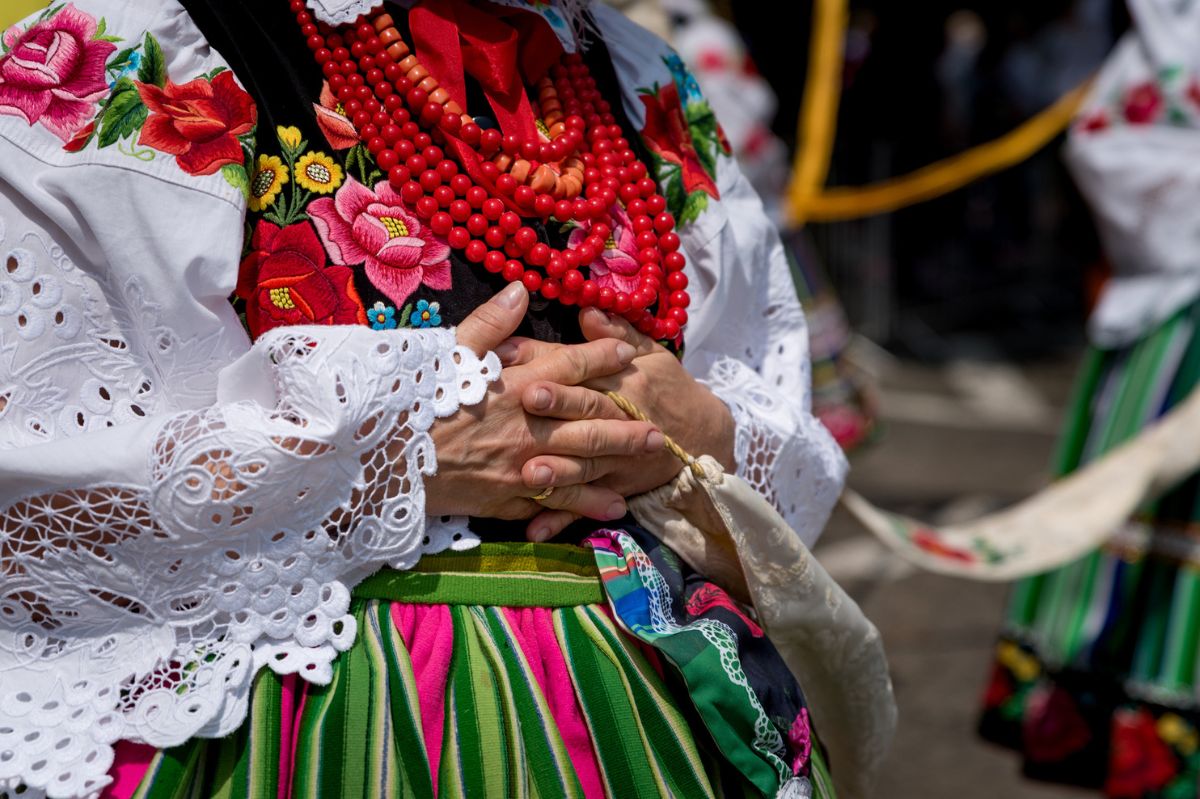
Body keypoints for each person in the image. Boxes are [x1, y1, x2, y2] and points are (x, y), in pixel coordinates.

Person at [0, 1, 858, 797]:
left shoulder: (638, 77)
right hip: (296, 730)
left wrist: (696, 427)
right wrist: (380, 456)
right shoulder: (142, 52)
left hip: (649, 717)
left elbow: (773, 415)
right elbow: (29, 504)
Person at [979, 2, 1200, 795]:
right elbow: (1113, 146)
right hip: (1175, 319)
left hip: (1172, 313)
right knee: (1144, 510)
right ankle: (1136, 720)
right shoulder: (1171, 44)